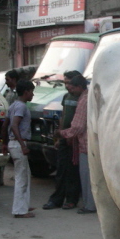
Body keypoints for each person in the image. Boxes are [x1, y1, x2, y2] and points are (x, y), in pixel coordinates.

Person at [42, 70, 82, 210]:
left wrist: (73, 137)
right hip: (65, 137)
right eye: (65, 83)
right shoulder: (66, 96)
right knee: (61, 170)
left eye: (68, 83)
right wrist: (58, 137)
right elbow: (64, 115)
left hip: (76, 139)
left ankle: (71, 199)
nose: (66, 86)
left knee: (73, 171)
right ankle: (56, 199)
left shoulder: (82, 97)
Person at [56, 75, 96, 214]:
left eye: (72, 88)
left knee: (86, 177)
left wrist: (62, 134)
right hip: (92, 142)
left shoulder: (83, 100)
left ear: (79, 87)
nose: (71, 91)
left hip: (85, 144)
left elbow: (78, 126)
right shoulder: (89, 96)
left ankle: (90, 205)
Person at [5, 79, 36, 218]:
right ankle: (19, 210)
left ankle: (24, 205)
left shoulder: (13, 105)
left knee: (25, 175)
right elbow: (14, 125)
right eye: (31, 92)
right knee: (21, 178)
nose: (33, 95)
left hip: (14, 143)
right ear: (26, 92)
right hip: (19, 143)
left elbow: (5, 125)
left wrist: (4, 143)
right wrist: (23, 146)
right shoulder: (21, 107)